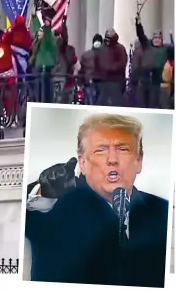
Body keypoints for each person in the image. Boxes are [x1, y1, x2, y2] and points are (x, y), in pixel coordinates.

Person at [25, 113, 168, 287]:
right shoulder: (56, 211)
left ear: (138, 161)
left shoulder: (163, 213)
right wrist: (44, 191)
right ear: (82, 163)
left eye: (123, 149)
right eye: (101, 150)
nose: (112, 160)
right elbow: (27, 217)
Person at [135, 13, 168, 109]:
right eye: (155, 38)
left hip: (158, 81)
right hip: (145, 79)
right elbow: (140, 35)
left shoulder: (166, 49)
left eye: (159, 38)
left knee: (154, 104)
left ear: (162, 40)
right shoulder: (147, 46)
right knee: (142, 104)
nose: (157, 40)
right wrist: (138, 24)